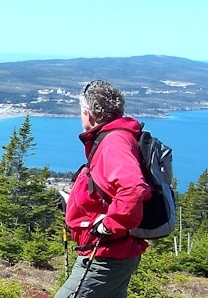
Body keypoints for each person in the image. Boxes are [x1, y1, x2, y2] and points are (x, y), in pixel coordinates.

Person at [55, 80, 151, 298]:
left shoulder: (113, 143)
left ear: (88, 114)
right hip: (115, 252)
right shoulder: (116, 137)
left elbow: (133, 188)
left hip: (106, 254)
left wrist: (109, 224)